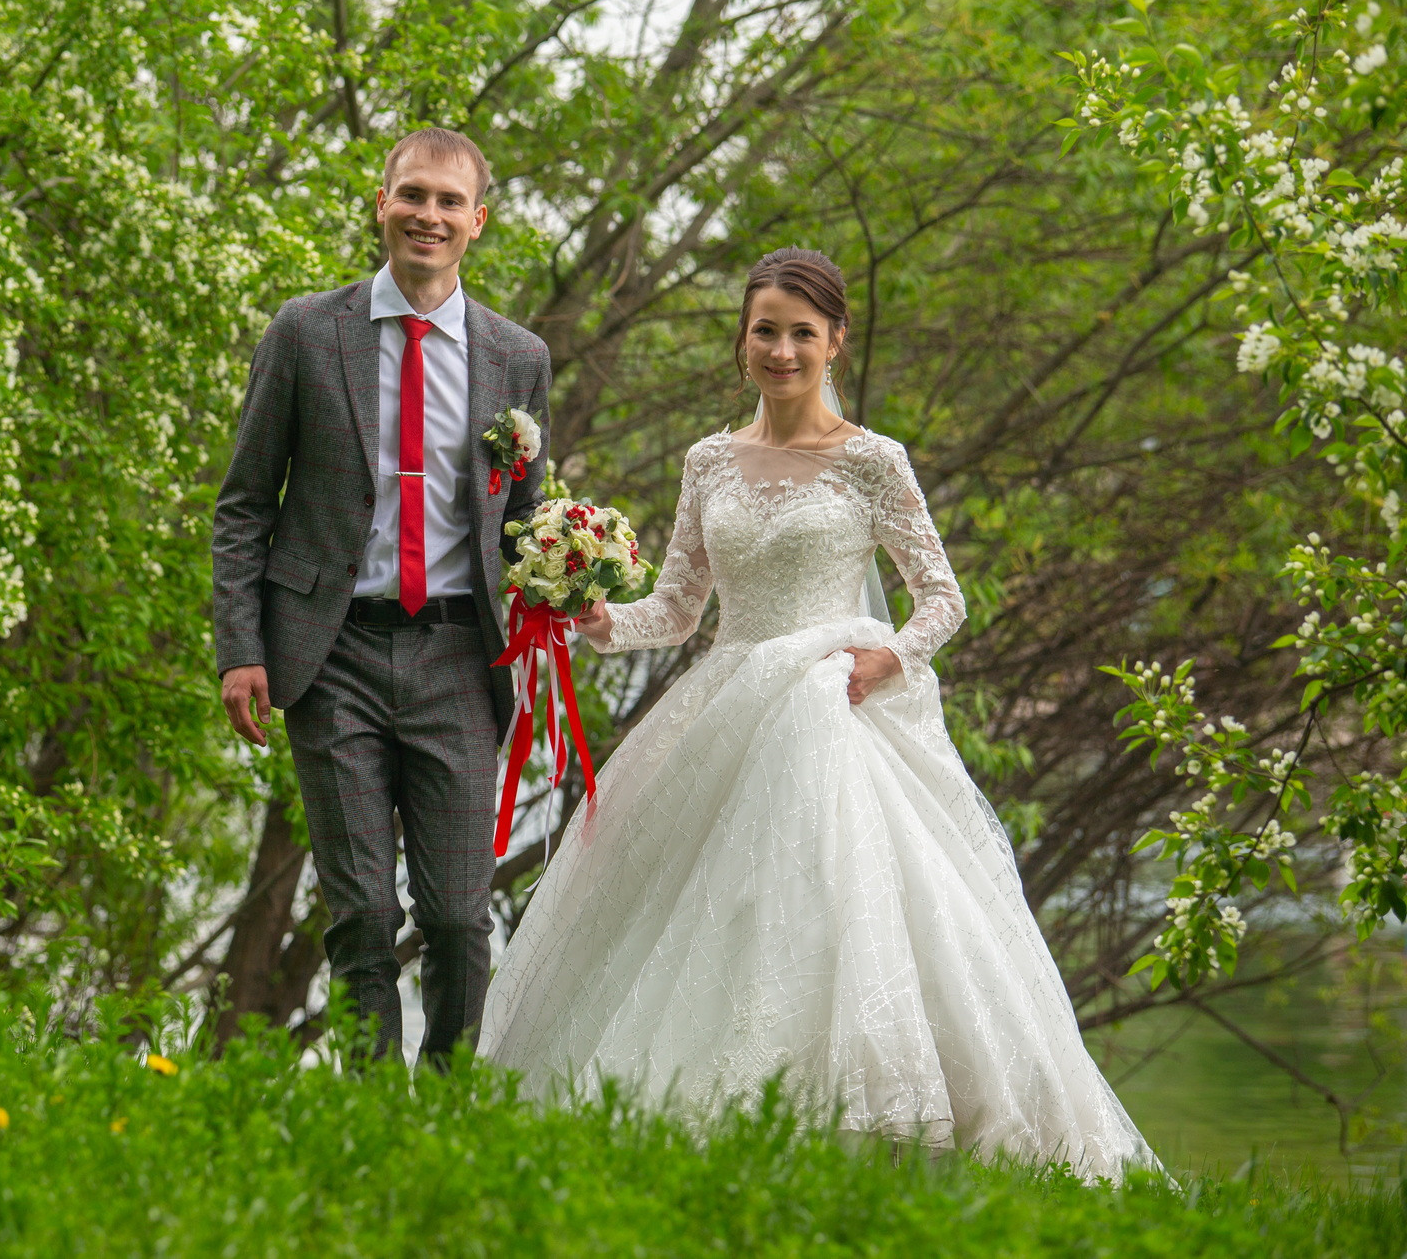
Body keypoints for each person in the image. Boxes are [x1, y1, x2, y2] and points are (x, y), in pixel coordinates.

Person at [477, 248, 1157, 1178]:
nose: (783, 350)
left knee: (840, 895)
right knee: (711, 909)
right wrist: (599, 620)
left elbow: (942, 597)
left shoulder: (874, 461)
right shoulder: (708, 461)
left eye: (803, 333)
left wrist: (892, 656)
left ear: (836, 341)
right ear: (742, 341)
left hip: (834, 701)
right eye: (766, 330)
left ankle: (879, 1125)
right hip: (729, 703)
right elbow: (677, 609)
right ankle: (715, 1125)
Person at [211, 128, 551, 1065]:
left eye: (449, 201)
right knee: (360, 909)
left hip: (459, 657)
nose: (428, 215)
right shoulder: (305, 332)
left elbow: (526, 518)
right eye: (413, 195)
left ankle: (445, 1107)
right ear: (382, 204)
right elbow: (245, 504)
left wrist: (571, 577)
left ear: (478, 221)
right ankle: (366, 1113)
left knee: (455, 916)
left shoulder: (517, 356)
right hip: (332, 654)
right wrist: (242, 647)